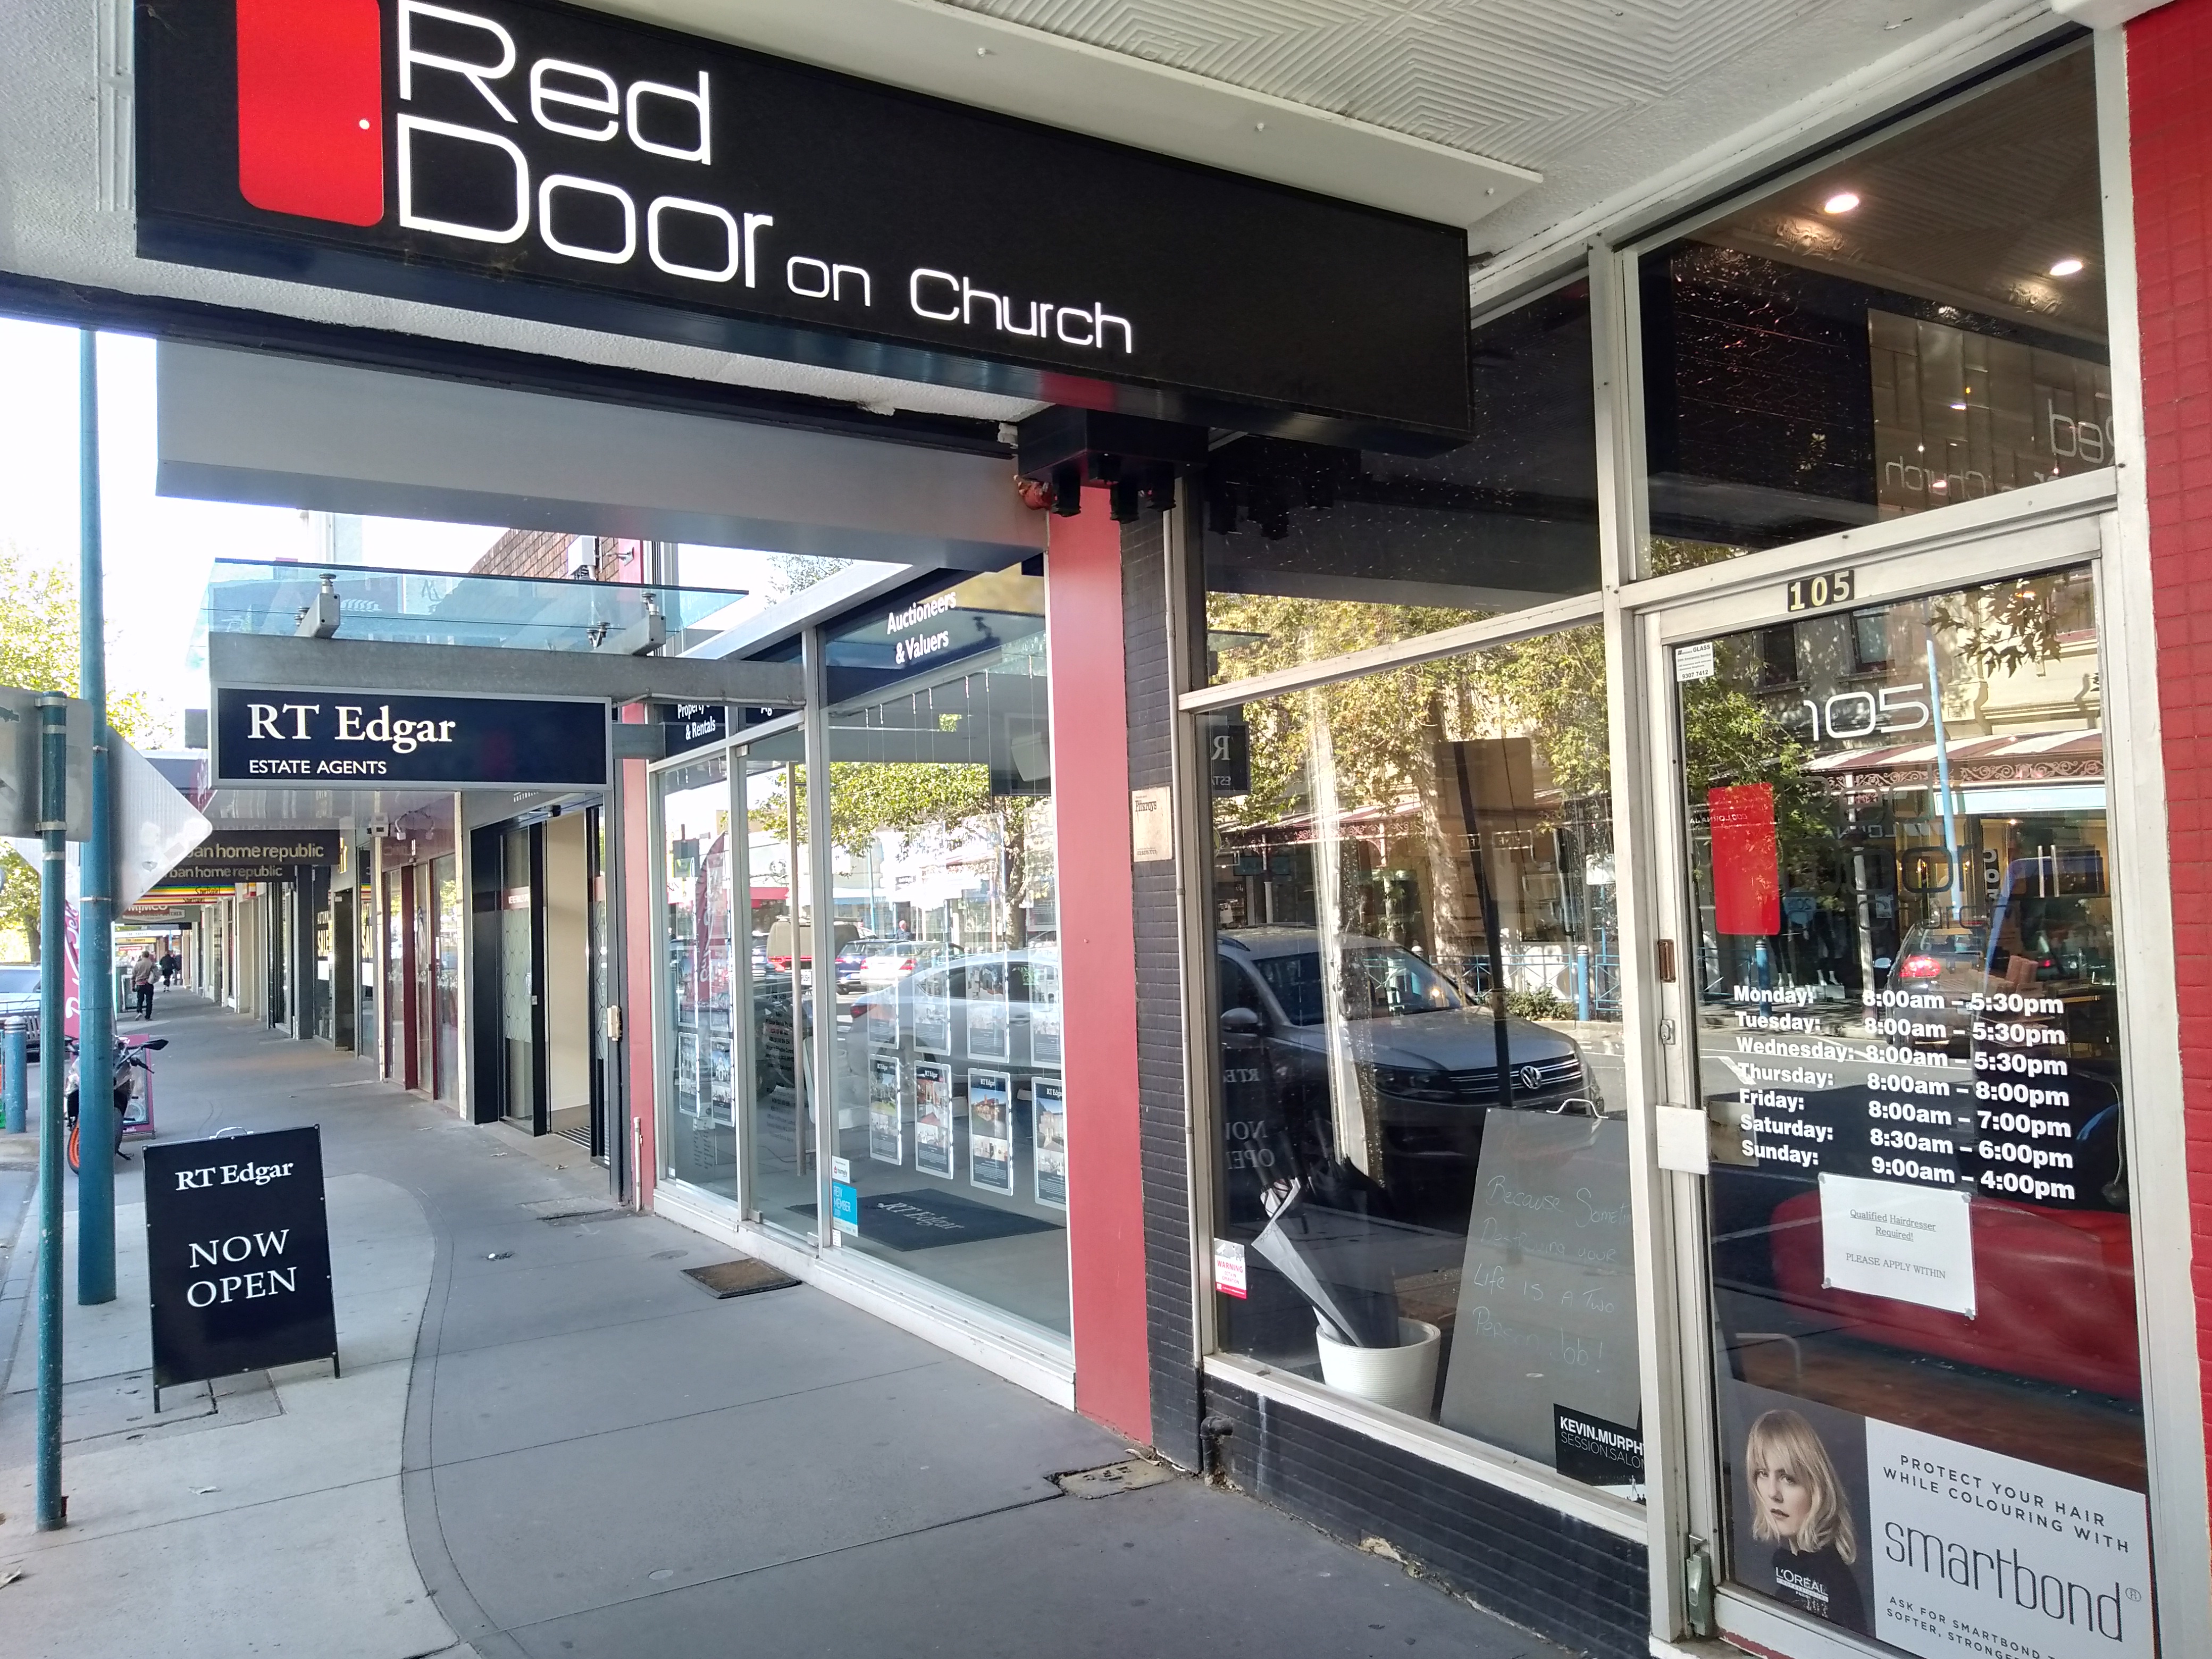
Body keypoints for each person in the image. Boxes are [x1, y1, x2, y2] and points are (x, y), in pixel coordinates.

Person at [1745, 1409, 1867, 1633]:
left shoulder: (1829, 1579)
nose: (1773, 1493)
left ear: (1817, 1487)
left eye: (1788, 1479)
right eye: (1763, 1474)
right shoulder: (1801, 1566)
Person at [130, 949, 158, 1021]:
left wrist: (133, 986)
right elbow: (156, 973)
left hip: (140, 984)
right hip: (149, 984)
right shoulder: (152, 964)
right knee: (149, 1001)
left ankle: (139, 1011)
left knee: (140, 1000)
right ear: (148, 956)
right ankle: (148, 1016)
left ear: (142, 956)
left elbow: (133, 976)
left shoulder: (138, 964)